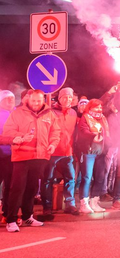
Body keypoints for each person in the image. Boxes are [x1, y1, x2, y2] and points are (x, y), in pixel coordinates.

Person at [1, 89, 60, 232]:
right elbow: (8, 132)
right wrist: (19, 137)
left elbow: (55, 132)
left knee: (32, 188)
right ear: (28, 99)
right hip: (21, 156)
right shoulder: (17, 113)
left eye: (39, 100)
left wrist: (53, 145)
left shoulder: (49, 114)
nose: (36, 103)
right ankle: (11, 219)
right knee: (17, 188)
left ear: (43, 100)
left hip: (40, 157)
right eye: (33, 100)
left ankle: (28, 216)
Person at [42, 88, 79, 217]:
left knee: (70, 178)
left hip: (67, 151)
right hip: (52, 151)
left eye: (70, 98)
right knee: (48, 179)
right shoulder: (51, 111)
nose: (68, 100)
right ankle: (47, 207)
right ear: (59, 98)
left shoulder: (73, 113)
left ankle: (70, 204)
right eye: (65, 97)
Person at [74, 99, 110, 214]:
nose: (99, 109)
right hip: (89, 151)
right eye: (96, 107)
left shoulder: (103, 118)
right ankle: (84, 203)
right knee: (87, 177)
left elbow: (107, 134)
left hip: (101, 151)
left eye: (100, 107)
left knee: (100, 177)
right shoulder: (85, 118)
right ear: (90, 108)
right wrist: (93, 136)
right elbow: (83, 131)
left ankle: (94, 201)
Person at [0, 89, 16, 222]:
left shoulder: (18, 114)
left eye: (12, 98)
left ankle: (6, 213)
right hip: (1, 154)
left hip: (14, 156)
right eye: (6, 98)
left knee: (10, 186)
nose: (10, 100)